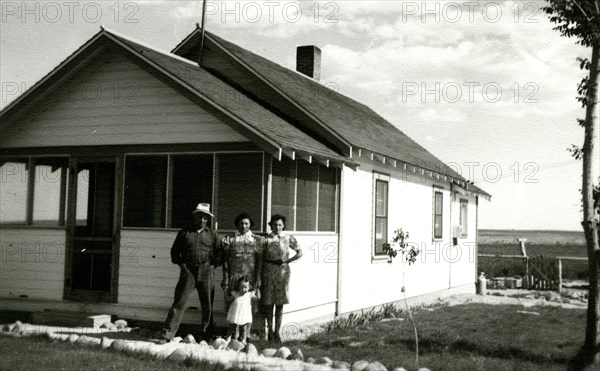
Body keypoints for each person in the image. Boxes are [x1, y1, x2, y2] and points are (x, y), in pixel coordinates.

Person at [162, 203, 221, 341]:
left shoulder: (212, 234)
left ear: (208, 219)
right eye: (200, 217)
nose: (202, 220)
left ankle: (207, 335)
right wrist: (183, 267)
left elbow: (219, 253)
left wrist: (212, 266)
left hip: (206, 271)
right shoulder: (185, 232)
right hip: (188, 271)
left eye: (205, 218)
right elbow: (175, 252)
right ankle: (168, 334)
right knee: (179, 302)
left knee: (207, 304)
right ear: (195, 217)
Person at [221, 212, 263, 340]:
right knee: (233, 304)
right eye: (241, 223)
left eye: (246, 223)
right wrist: (226, 277)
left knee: (248, 305)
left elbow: (259, 260)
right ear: (237, 224)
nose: (243, 226)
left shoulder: (256, 239)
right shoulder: (231, 238)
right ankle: (233, 333)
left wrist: (258, 278)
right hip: (234, 275)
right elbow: (225, 260)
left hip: (249, 278)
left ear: (250, 225)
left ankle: (246, 334)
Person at [261, 214, 303, 342]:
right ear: (270, 225)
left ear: (283, 225)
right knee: (269, 303)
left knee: (280, 303)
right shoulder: (266, 239)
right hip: (268, 270)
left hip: (283, 272)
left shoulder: (288, 238)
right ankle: (269, 331)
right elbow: (260, 257)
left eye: (279, 224)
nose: (277, 227)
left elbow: (299, 252)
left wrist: (287, 261)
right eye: (274, 224)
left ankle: (277, 332)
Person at [226, 275, 261, 344]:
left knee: (244, 328)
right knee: (232, 327)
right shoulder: (236, 293)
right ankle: (229, 338)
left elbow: (258, 298)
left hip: (244, 315)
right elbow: (227, 298)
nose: (243, 289)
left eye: (245, 287)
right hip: (235, 314)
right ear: (238, 286)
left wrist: (257, 289)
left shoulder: (249, 294)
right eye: (241, 287)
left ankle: (243, 339)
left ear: (249, 287)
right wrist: (225, 291)